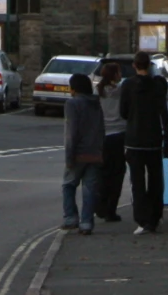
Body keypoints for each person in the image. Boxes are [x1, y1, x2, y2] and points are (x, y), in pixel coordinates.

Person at [117, 51, 168, 233]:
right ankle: (155, 217)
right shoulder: (158, 85)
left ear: (134, 65)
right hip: (154, 138)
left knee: (137, 181)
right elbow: (163, 111)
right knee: (156, 180)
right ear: (149, 65)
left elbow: (123, 112)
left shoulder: (127, 85)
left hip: (134, 138)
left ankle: (141, 219)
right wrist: (167, 141)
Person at [60, 73, 104, 236]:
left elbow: (71, 132)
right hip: (94, 152)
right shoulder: (96, 103)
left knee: (68, 185)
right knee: (89, 189)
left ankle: (71, 218)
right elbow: (101, 129)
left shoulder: (72, 104)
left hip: (78, 153)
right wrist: (100, 150)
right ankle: (86, 223)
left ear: (74, 88)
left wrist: (69, 157)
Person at [94, 60, 127, 223]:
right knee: (117, 175)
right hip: (119, 135)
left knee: (103, 173)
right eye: (119, 72)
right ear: (115, 75)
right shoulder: (122, 91)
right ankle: (111, 210)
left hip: (103, 136)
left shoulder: (97, 91)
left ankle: (100, 203)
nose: (121, 75)